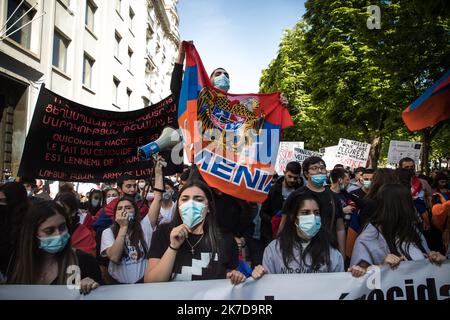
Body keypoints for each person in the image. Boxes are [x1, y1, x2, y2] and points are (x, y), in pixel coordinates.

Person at [144, 179, 246, 284]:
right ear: (178, 205)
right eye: (185, 199)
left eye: (198, 199)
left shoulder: (225, 238)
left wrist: (234, 277)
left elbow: (229, 275)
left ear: (209, 207)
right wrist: (173, 247)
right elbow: (151, 282)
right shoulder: (163, 233)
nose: (191, 204)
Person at [349, 184, 445, 276]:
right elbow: (360, 277)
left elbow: (425, 259)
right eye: (408, 203)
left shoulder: (412, 229)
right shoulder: (369, 237)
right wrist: (381, 267)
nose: (412, 208)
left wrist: (434, 258)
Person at [7, 201, 101, 293]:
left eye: (62, 227)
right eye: (49, 231)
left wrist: (91, 287)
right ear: (33, 234)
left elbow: (102, 294)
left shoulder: (84, 261)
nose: (58, 234)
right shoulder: (18, 261)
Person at [251, 192, 344, 279]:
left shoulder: (330, 251)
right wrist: (261, 276)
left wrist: (354, 275)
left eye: (316, 213)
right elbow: (268, 287)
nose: (312, 217)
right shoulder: (274, 250)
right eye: (305, 213)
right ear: (293, 217)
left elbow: (340, 284)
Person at [279, 157, 346, 258]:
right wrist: (280, 250)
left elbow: (340, 229)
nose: (319, 170)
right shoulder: (296, 196)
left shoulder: (334, 197)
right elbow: (284, 224)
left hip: (327, 252)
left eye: (322, 168)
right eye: (314, 168)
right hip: (299, 252)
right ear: (306, 174)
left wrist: (342, 254)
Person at [260, 161, 303, 245]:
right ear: (284, 172)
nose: (292, 180)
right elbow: (262, 212)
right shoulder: (273, 190)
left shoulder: (299, 191)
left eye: (295, 178)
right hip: (273, 234)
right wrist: (274, 220)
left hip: (293, 233)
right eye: (289, 176)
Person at [55, 192, 96, 257]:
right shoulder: (46, 229)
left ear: (73, 212)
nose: (57, 213)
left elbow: (88, 260)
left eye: (62, 209)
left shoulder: (84, 235)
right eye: (55, 208)